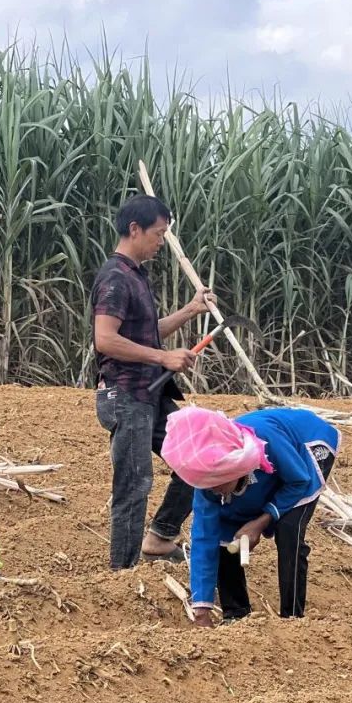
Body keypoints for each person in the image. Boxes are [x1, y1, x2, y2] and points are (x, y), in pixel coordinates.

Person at [90, 194, 215, 570]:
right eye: (159, 234)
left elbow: (148, 333)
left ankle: (160, 537)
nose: (162, 242)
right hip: (126, 394)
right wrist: (164, 357)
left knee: (198, 460)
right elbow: (105, 339)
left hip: (149, 395)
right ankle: (121, 573)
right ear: (135, 229)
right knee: (134, 484)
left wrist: (191, 310)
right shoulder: (115, 278)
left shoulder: (135, 277)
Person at [159, 405, 341, 628]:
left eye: (216, 484)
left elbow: (299, 481)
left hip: (305, 449)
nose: (212, 490)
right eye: (206, 486)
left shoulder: (268, 440)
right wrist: (201, 609)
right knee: (224, 535)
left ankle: (292, 619)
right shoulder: (208, 484)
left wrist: (261, 521)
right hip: (269, 474)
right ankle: (237, 616)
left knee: (288, 529)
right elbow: (203, 540)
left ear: (233, 468)